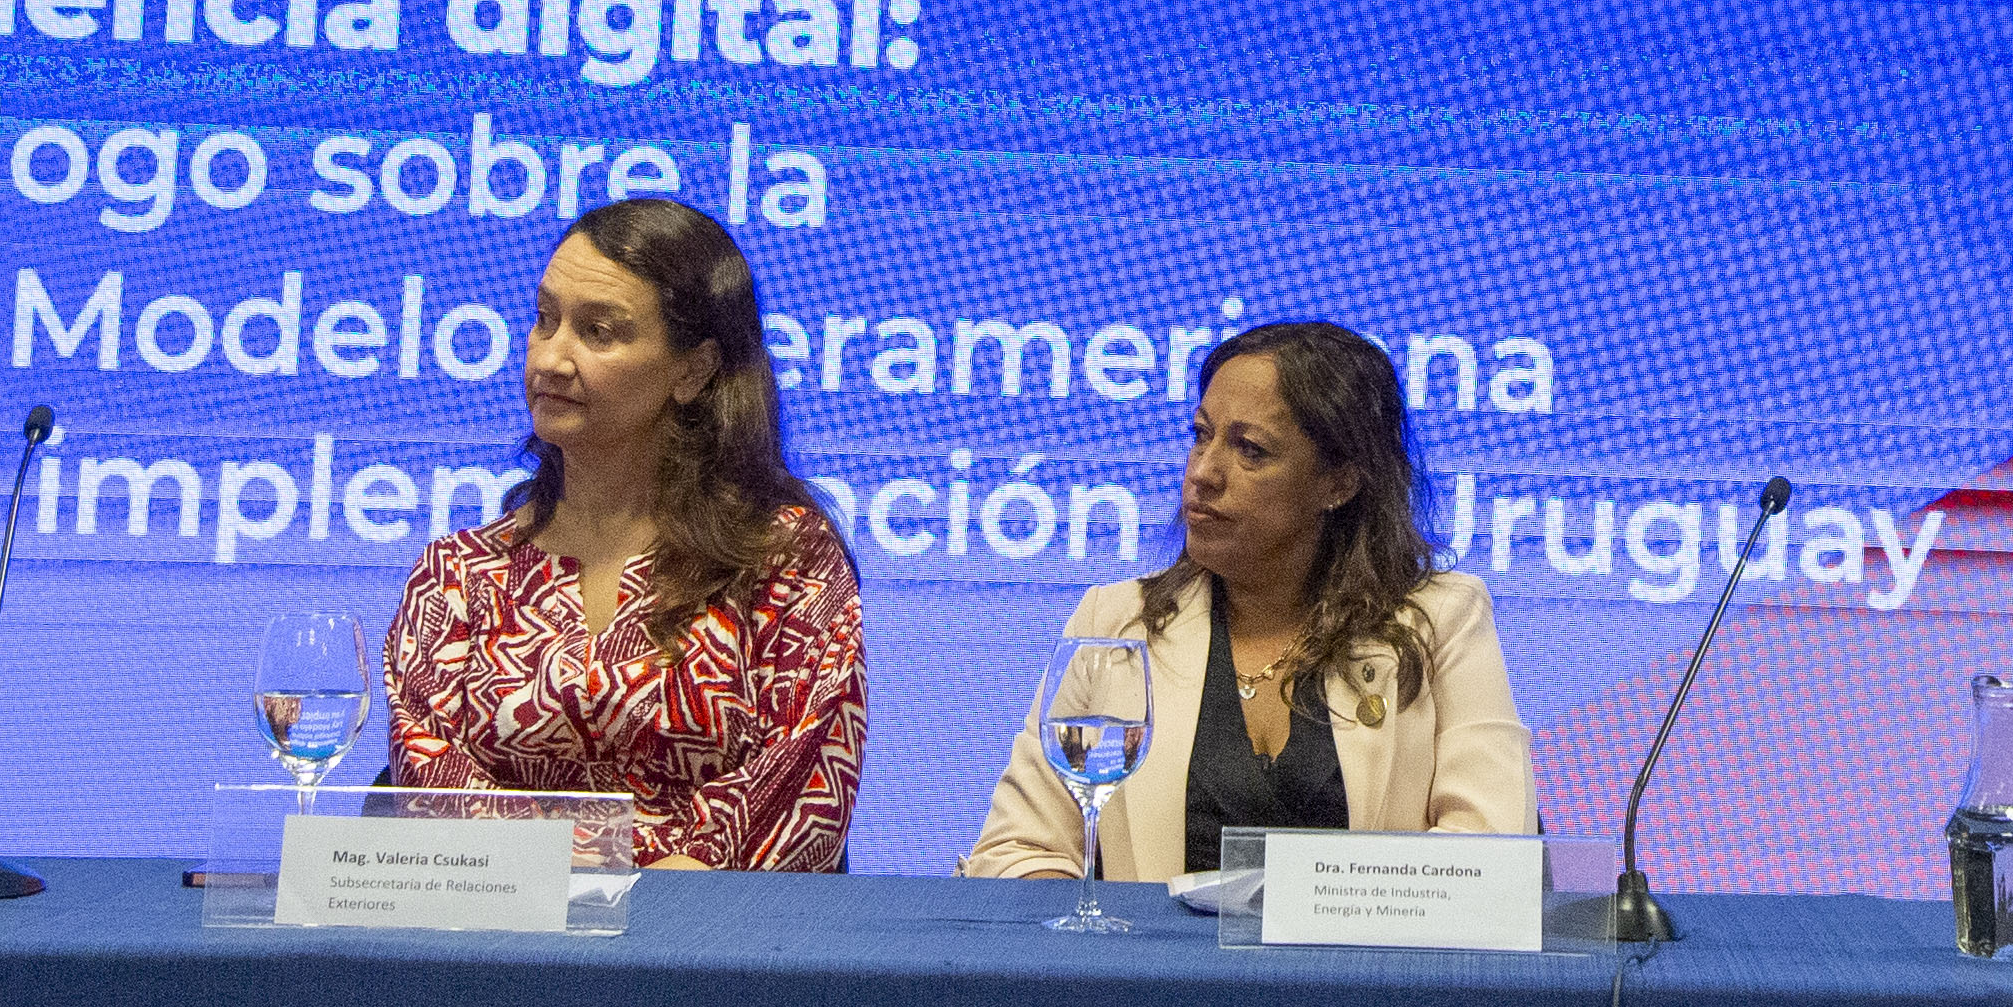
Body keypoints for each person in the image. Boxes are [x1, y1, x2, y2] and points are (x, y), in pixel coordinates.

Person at [382, 200, 863, 869]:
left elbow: (804, 785)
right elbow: (430, 794)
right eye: (545, 320)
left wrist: (641, 898)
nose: (550, 357)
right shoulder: (459, 576)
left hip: (713, 948)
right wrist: (565, 889)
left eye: (598, 331)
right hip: (500, 948)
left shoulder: (785, 559)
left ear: (692, 370)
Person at [967, 318, 1530, 880]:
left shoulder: (1441, 620)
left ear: (1339, 482)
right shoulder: (1116, 623)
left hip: (1360, 967)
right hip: (1148, 969)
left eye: (1250, 450)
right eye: (1201, 435)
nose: (1203, 472)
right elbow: (1017, 850)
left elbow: (1493, 854)